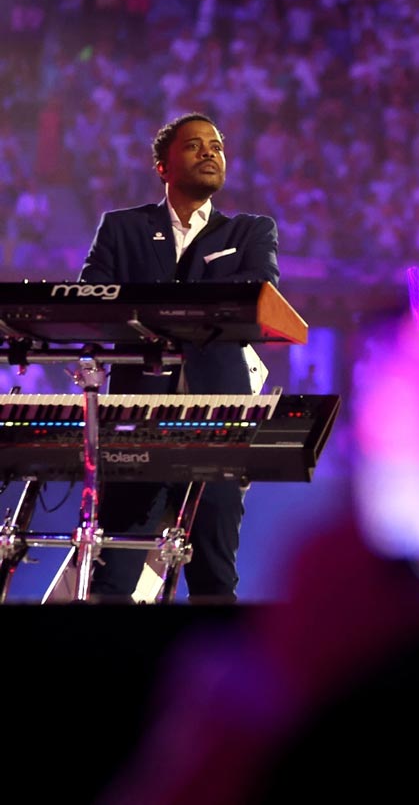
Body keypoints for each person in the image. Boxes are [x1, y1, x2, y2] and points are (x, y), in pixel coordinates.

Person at [79, 111, 279, 603]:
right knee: (113, 581)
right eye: (195, 145)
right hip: (136, 423)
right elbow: (90, 300)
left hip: (218, 422)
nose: (211, 151)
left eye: (217, 145)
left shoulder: (250, 232)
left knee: (214, 580)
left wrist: (157, 304)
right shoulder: (122, 228)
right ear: (162, 167)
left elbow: (256, 293)